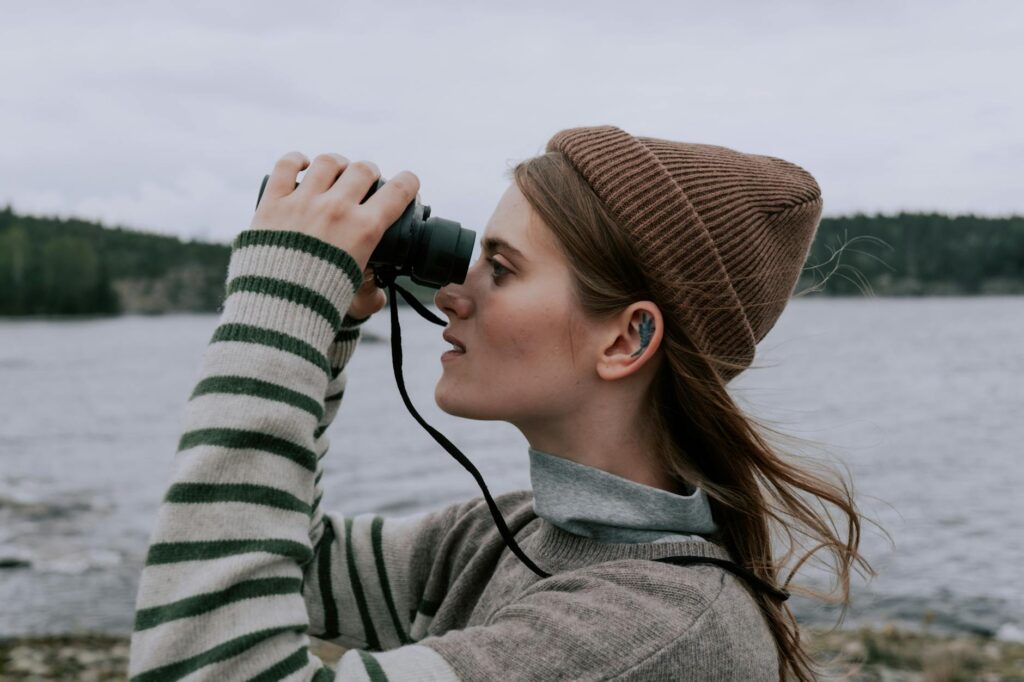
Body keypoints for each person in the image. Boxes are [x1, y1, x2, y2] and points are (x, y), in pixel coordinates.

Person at [129, 125, 870, 681]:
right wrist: (326, 331)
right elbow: (295, 562)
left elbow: (202, 657)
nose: (451, 293)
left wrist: (277, 309)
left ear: (627, 339)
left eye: (501, 268)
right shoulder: (503, 534)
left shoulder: (660, 630)